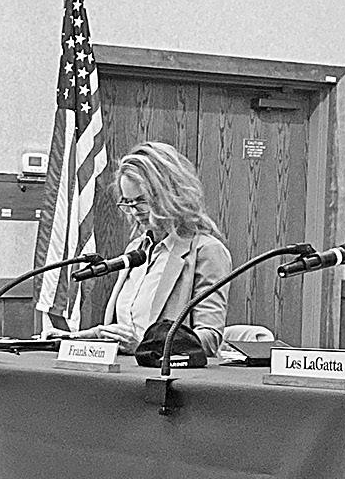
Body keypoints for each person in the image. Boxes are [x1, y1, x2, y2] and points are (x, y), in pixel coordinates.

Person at [53, 141, 233, 355]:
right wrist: (72, 338)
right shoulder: (137, 248)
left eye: (141, 200)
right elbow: (122, 332)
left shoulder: (206, 251)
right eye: (127, 202)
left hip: (167, 373)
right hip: (124, 369)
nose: (134, 210)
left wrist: (144, 347)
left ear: (170, 194)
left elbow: (209, 339)